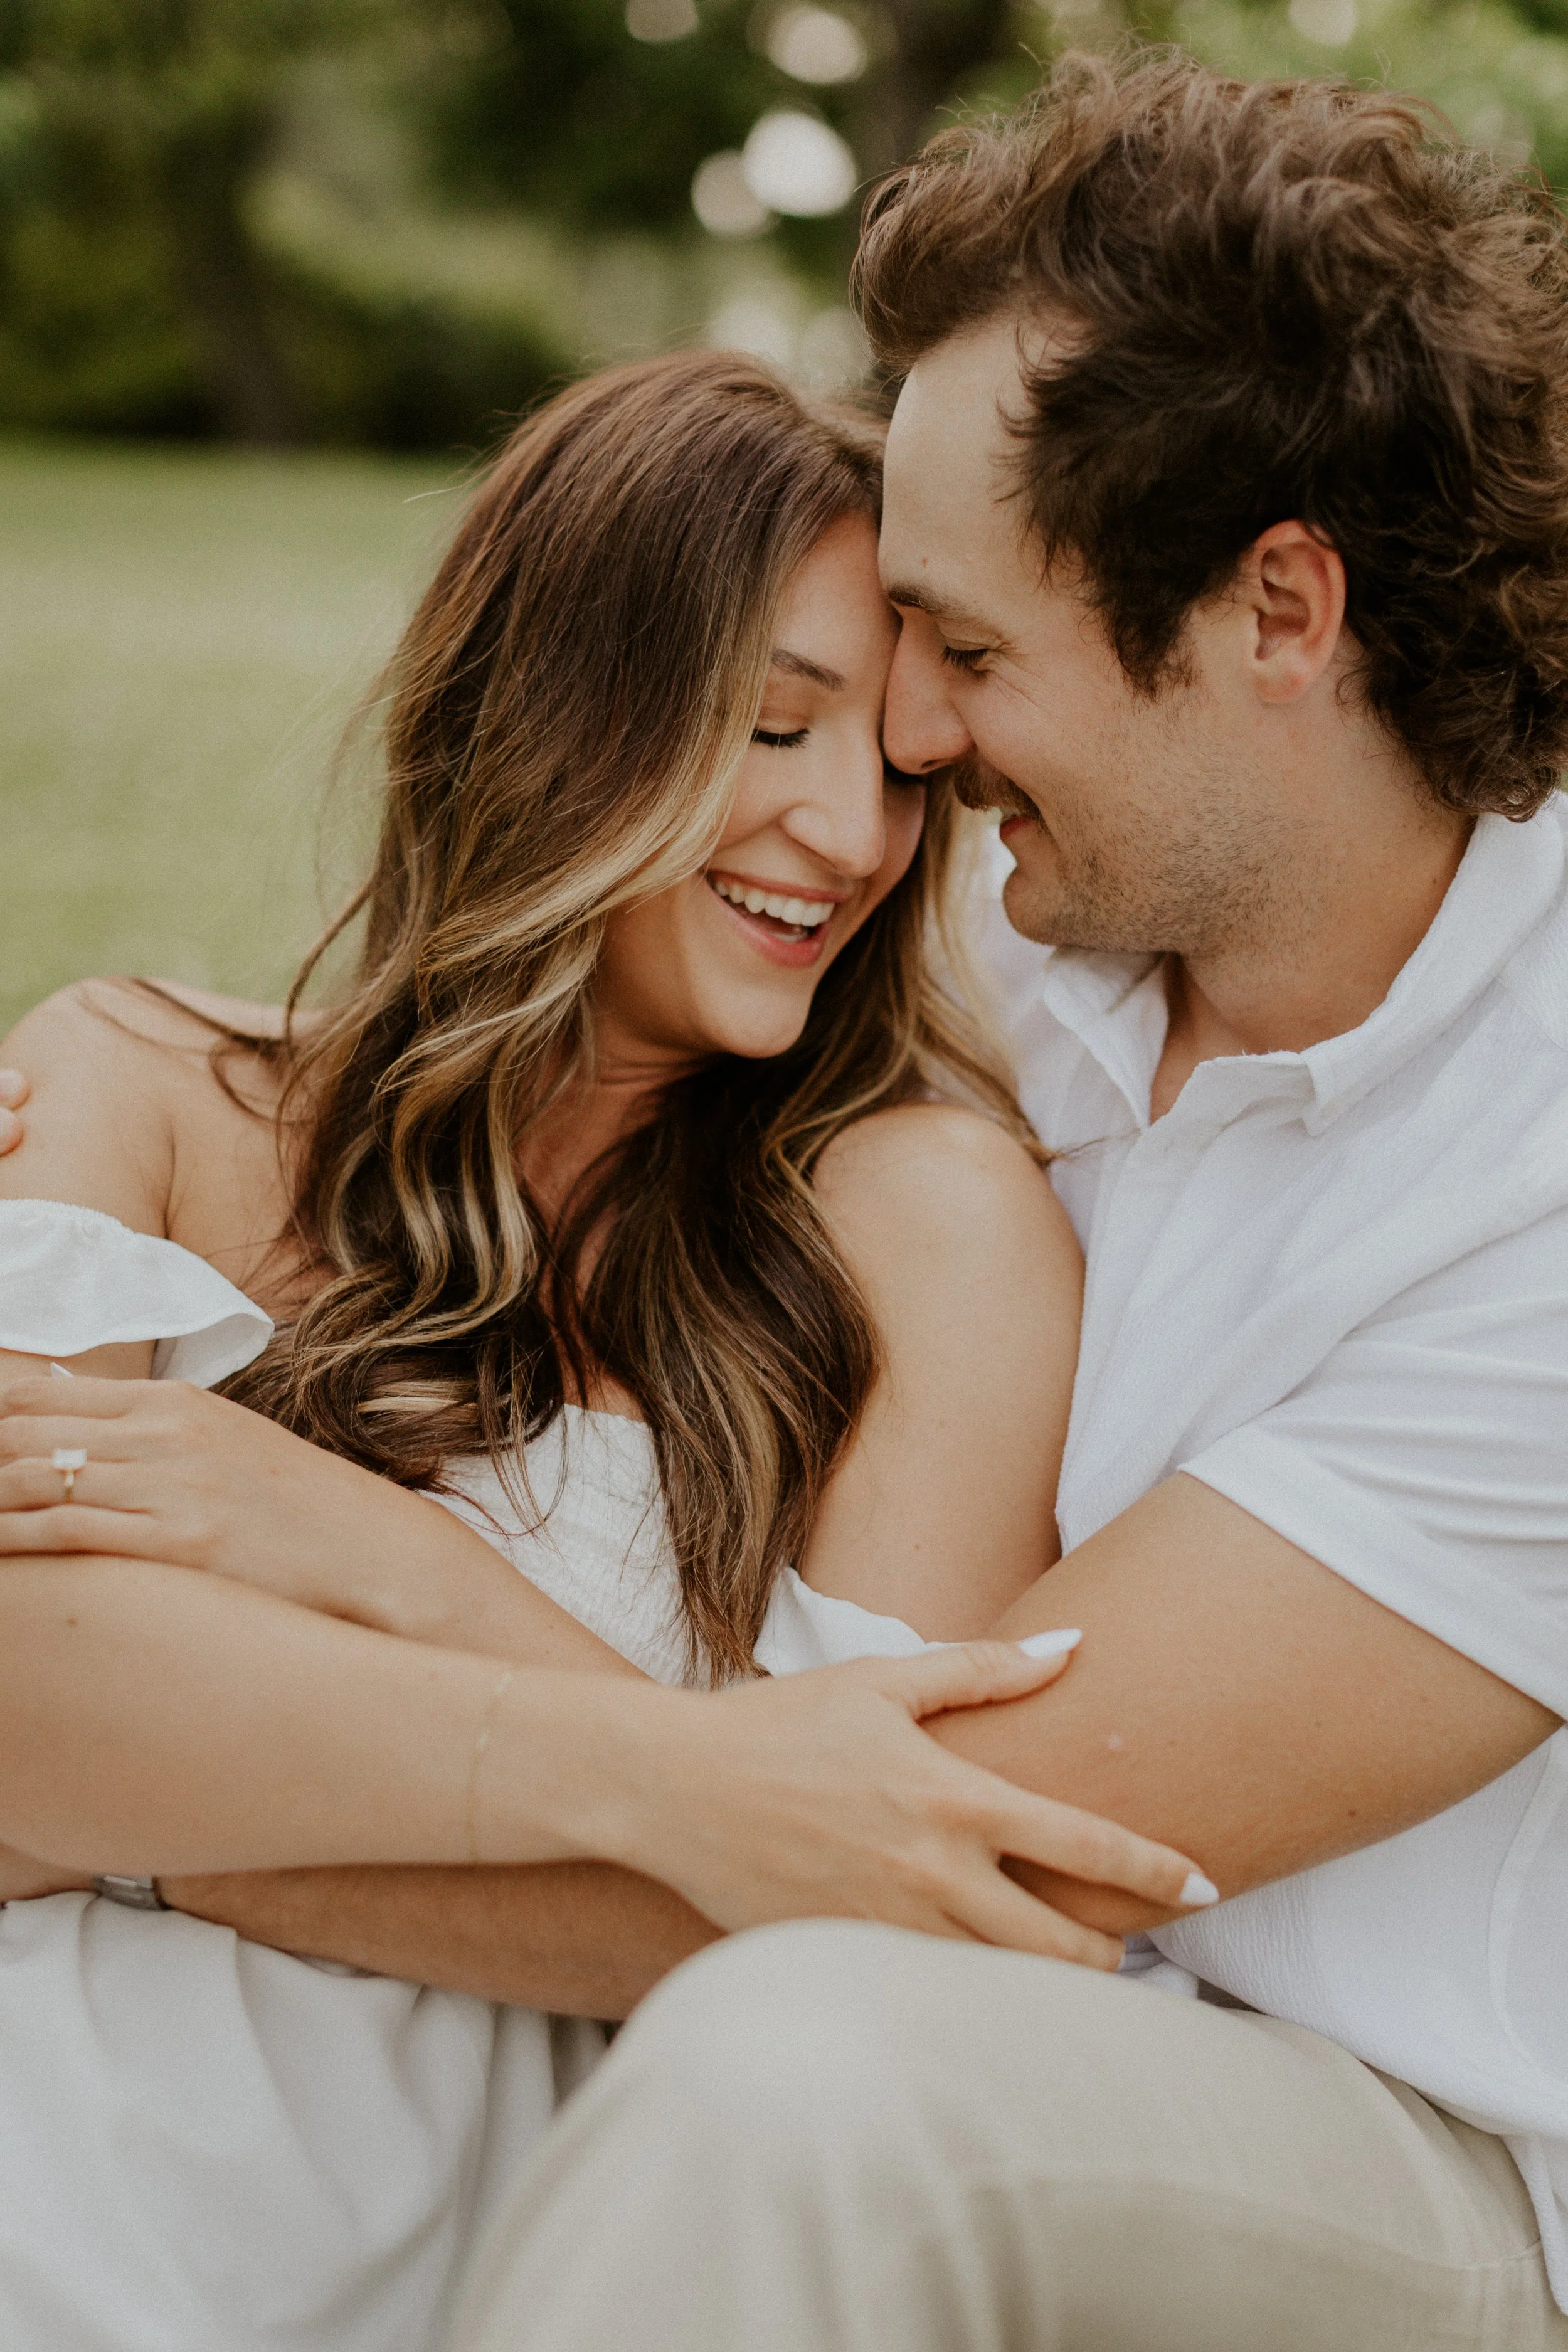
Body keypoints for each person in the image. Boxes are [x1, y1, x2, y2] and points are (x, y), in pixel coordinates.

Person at [413, 53, 1567, 2352]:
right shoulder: (1037, 928)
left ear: (1274, 611)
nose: (903, 756)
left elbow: (927, 1856)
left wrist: (153, 1799)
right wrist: (156, 1074)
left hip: (1405, 2154)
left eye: (964, 648)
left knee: (803, 2088)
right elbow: (512, 1054)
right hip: (1007, 1998)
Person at [0, 350, 1206, 2351]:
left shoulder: (923, 1225)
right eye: (770, 723)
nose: (850, 831)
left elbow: (869, 1913)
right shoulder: (132, 1083)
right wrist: (680, 1784)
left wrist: (347, 1590)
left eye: (903, 767)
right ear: (557, 701)